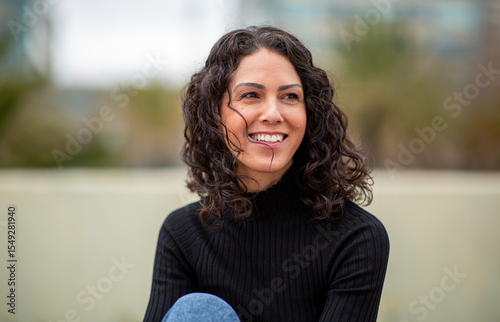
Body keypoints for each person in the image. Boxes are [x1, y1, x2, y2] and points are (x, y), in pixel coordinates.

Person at [144, 25, 389, 322]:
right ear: (214, 114)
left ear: (309, 113)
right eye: (251, 95)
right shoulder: (183, 233)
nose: (273, 113)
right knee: (199, 311)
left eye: (290, 97)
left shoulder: (356, 237)